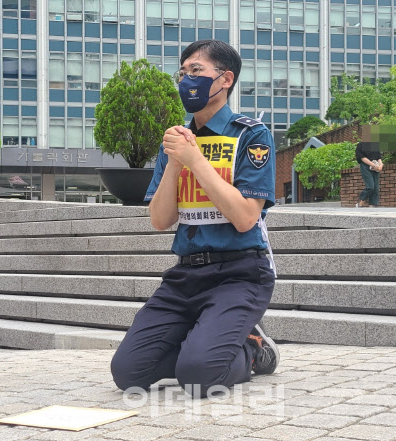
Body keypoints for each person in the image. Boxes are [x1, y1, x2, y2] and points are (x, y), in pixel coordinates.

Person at [110, 39, 279, 398]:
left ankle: (251, 347)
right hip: (186, 275)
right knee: (127, 372)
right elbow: (160, 219)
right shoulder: (175, 142)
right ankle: (206, 340)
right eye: (183, 72)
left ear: (225, 79)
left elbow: (247, 217)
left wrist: (195, 160)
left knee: (199, 377)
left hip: (239, 272)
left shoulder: (251, 135)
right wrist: (175, 161)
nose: (187, 79)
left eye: (197, 71)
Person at [355, 124, 383, 208]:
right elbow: (362, 158)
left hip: (376, 167)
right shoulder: (360, 145)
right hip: (366, 167)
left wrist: (380, 165)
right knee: (370, 186)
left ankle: (373, 204)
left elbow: (379, 157)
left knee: (376, 187)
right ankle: (361, 200)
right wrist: (373, 165)